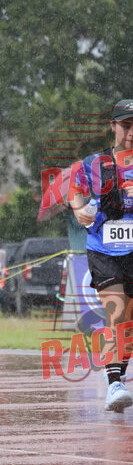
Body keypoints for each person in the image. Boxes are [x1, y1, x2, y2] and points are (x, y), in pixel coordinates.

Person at [71, 99, 133, 412]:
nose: (131, 132)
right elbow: (75, 191)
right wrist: (78, 209)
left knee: (128, 323)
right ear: (113, 126)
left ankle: (118, 379)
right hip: (103, 248)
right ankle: (114, 384)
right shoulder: (95, 163)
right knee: (116, 310)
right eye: (126, 125)